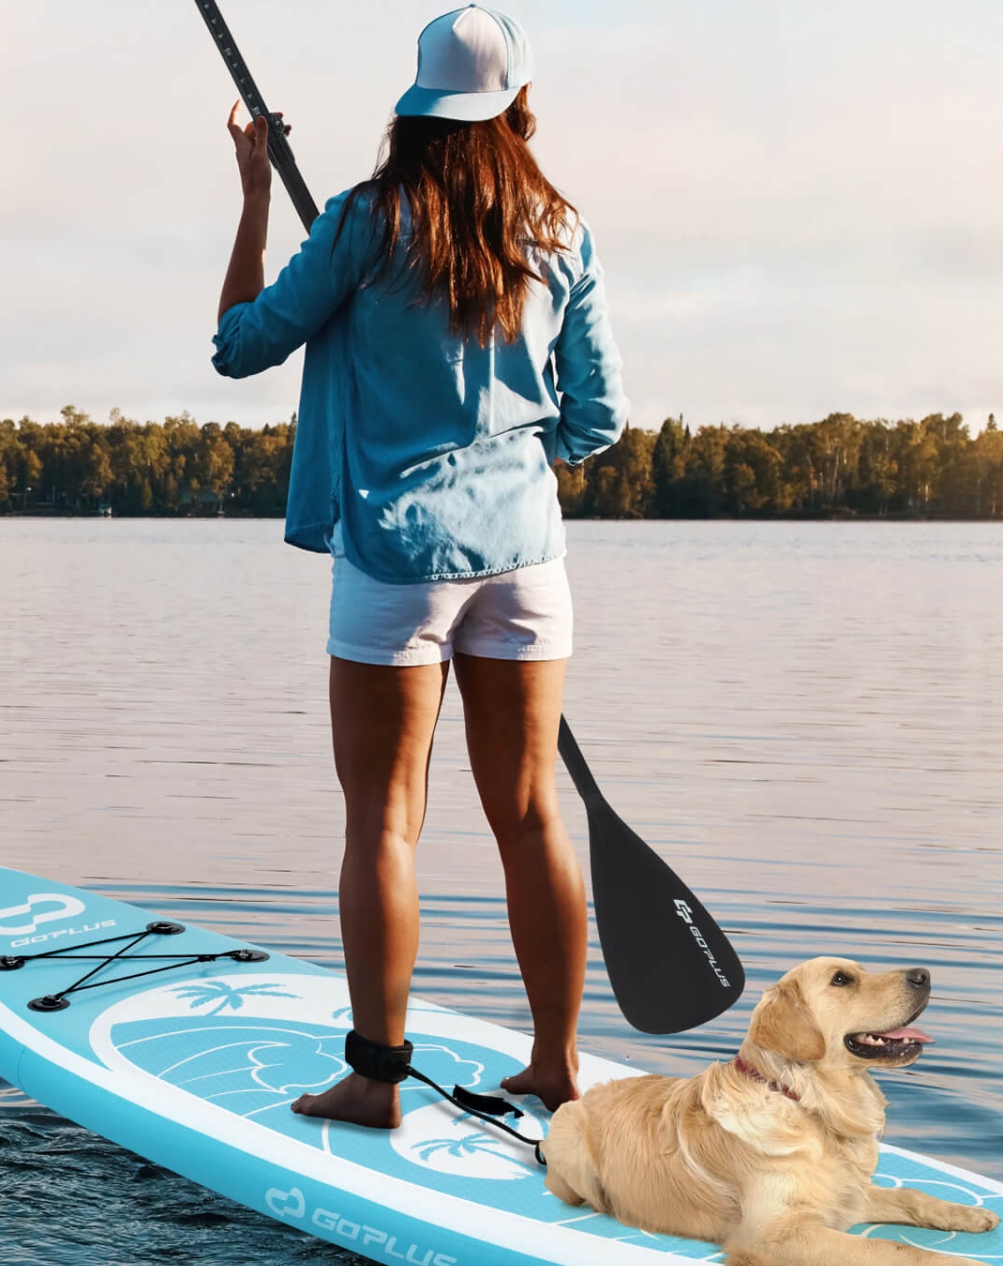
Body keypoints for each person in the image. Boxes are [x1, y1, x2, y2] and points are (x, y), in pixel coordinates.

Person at [211, 6, 628, 1129]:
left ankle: (375, 1080)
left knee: (385, 820)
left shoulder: (363, 221)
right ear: (517, 108)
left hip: (397, 560)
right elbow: (598, 422)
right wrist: (513, 455)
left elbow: (240, 343)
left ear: (416, 109)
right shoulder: (565, 233)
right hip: (527, 561)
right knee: (535, 813)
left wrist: (255, 192)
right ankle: (556, 1066)